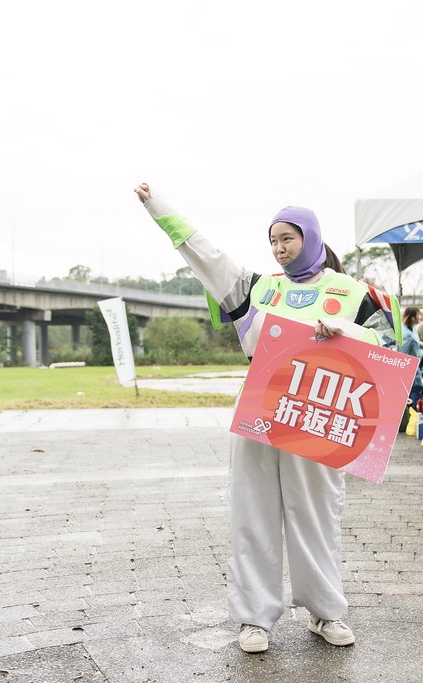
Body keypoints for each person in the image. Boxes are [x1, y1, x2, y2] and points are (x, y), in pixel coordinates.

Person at [133, 183, 402, 653]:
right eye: (274, 241)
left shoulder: (353, 294)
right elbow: (207, 255)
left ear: (310, 238)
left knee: (316, 515)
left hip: (319, 416)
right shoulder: (258, 288)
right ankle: (254, 618)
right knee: (251, 514)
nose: (279, 249)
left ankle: (325, 611)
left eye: (288, 239)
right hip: (259, 414)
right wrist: (158, 206)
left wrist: (344, 331)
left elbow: (389, 349)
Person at [400, 306, 423, 406]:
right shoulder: (407, 335)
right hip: (411, 375)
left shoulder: (412, 329)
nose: (420, 317)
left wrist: (422, 345)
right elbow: (404, 354)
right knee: (412, 403)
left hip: (414, 372)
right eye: (418, 315)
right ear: (413, 317)